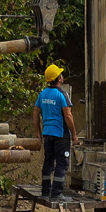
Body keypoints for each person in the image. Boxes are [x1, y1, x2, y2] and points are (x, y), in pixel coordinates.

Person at [37, 64, 75, 200]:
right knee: (62, 163)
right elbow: (68, 116)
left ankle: (45, 192)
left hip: (47, 134)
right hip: (60, 135)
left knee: (48, 162)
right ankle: (57, 194)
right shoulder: (62, 94)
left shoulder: (42, 94)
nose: (62, 76)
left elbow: (35, 113)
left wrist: (38, 131)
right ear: (59, 78)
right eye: (61, 74)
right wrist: (74, 135)